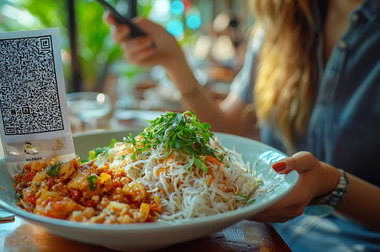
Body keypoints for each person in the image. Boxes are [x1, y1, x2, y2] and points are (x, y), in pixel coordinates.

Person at [105, 0, 380, 251]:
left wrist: (332, 185)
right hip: (261, 231)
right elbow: (228, 129)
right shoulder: (280, 18)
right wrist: (174, 61)